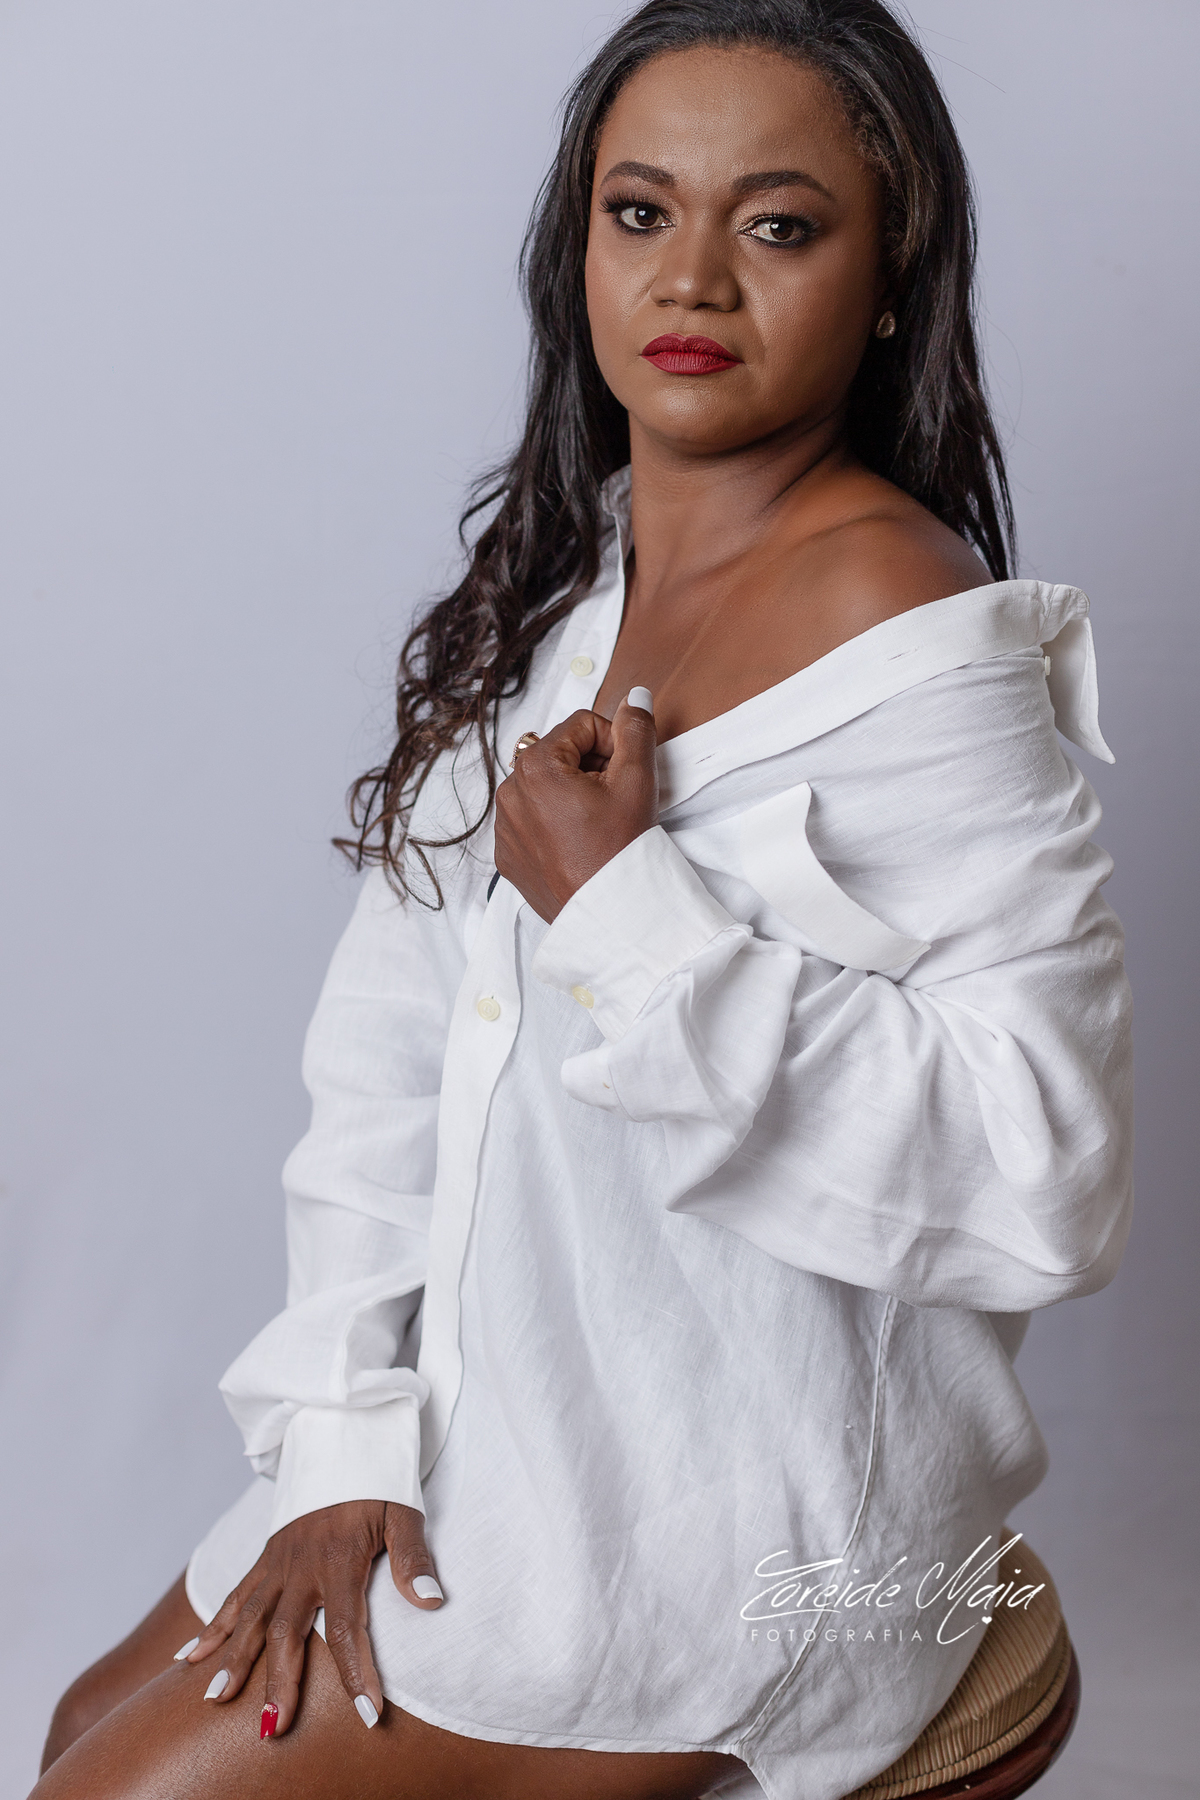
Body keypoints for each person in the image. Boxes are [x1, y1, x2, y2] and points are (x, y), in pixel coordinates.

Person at [33, 2, 1133, 1796]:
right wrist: (344, 1444)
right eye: (641, 211)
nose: (692, 275)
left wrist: (629, 914)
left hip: (738, 1517)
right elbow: (391, 1059)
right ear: (581, 244)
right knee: (81, 1728)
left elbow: (1052, 1175)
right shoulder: (572, 584)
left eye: (778, 224)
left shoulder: (904, 630)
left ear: (888, 272)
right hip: (499, 1442)